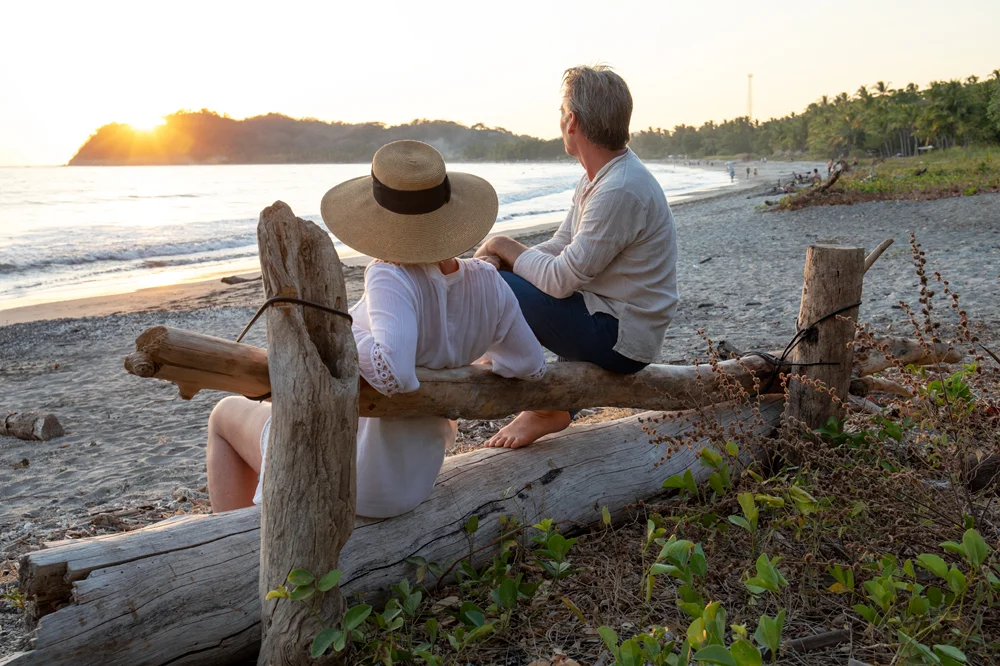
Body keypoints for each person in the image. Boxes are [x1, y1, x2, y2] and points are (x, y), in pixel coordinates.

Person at [206, 140, 546, 517]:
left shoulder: (391, 275)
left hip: (353, 477)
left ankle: (236, 535)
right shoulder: (488, 281)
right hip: (411, 480)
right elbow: (529, 363)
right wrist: (471, 361)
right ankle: (249, 524)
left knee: (224, 413)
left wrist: (343, 331)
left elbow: (394, 372)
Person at [475, 65, 678, 450]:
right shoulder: (597, 177)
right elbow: (560, 246)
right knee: (496, 274)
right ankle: (529, 385)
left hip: (621, 338)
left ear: (572, 122)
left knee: (492, 281)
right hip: (606, 315)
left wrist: (502, 247)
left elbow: (560, 279)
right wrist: (504, 256)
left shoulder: (619, 189)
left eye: (561, 112)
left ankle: (533, 394)